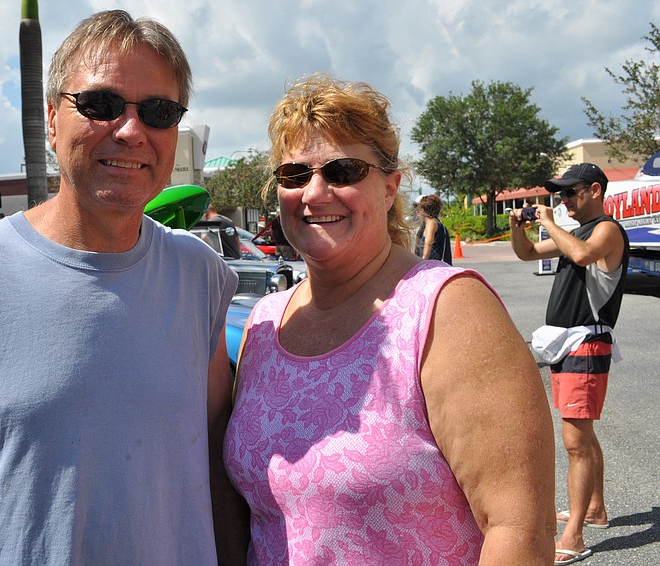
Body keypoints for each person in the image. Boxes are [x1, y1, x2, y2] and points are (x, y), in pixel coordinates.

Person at [0, 10, 248, 565]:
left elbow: (217, 466)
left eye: (158, 112)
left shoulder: (203, 278)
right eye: (101, 105)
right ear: (51, 118)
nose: (130, 130)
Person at [223, 74, 555, 565]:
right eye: (295, 175)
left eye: (343, 171)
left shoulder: (447, 308)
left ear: (389, 188)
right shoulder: (266, 324)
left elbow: (519, 531)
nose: (315, 192)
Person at [510, 162, 628, 565]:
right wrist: (518, 226)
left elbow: (580, 255)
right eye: (558, 194)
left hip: (587, 343)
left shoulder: (606, 229)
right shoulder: (575, 231)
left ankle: (574, 536)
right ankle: (594, 509)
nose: (562, 200)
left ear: (594, 190)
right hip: (566, 346)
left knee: (575, 442)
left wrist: (548, 220)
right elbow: (527, 252)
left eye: (569, 192)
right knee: (583, 435)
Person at [414, 193, 452, 264]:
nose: (417, 211)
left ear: (424, 210)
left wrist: (422, 264)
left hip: (434, 268)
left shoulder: (431, 223)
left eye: (418, 208)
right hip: (439, 267)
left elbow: (428, 245)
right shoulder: (436, 223)